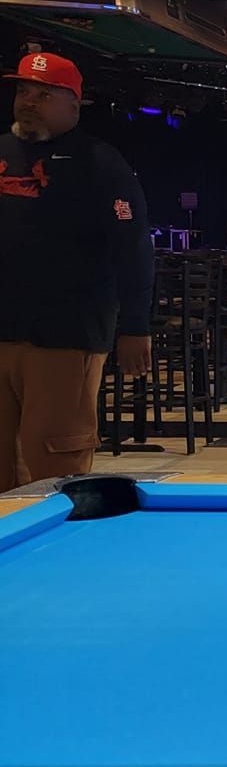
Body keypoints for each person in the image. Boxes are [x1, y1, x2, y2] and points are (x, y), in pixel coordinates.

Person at [0, 52, 153, 492]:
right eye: (23, 91)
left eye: (43, 94)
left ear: (73, 104)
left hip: (66, 333)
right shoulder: (2, 151)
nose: (29, 101)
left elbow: (133, 247)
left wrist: (135, 326)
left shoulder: (100, 163)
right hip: (3, 327)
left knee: (55, 457)